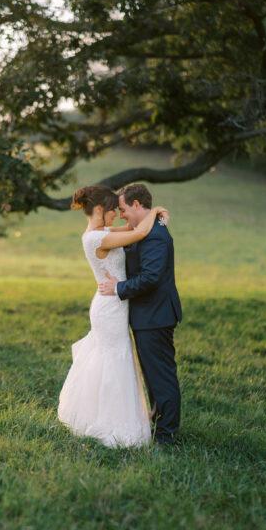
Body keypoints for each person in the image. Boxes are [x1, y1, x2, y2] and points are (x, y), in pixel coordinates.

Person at [57, 184, 169, 448]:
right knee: (113, 360)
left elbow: (131, 229)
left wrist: (146, 216)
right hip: (110, 307)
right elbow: (140, 232)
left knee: (116, 357)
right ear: (98, 210)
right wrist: (155, 211)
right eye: (111, 211)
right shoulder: (96, 238)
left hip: (113, 303)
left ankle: (114, 414)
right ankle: (111, 422)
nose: (116, 216)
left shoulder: (101, 231)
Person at [98, 183, 182, 447]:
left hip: (156, 316)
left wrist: (118, 288)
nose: (122, 214)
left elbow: (151, 277)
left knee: (161, 375)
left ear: (136, 205)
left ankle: (166, 436)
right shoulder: (141, 229)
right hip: (146, 315)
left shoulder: (155, 235)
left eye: (123, 209)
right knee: (151, 374)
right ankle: (158, 421)